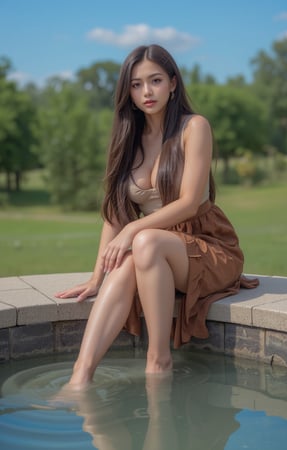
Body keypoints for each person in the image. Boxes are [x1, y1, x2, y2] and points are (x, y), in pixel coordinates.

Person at [55, 44, 258, 388]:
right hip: (156, 250)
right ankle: (80, 378)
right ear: (128, 92)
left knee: (144, 241)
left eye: (155, 80)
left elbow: (190, 203)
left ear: (173, 83)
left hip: (208, 247)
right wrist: (96, 277)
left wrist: (134, 229)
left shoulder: (194, 127)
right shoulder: (128, 138)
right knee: (128, 260)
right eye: (136, 84)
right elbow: (115, 214)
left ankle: (158, 359)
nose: (146, 92)